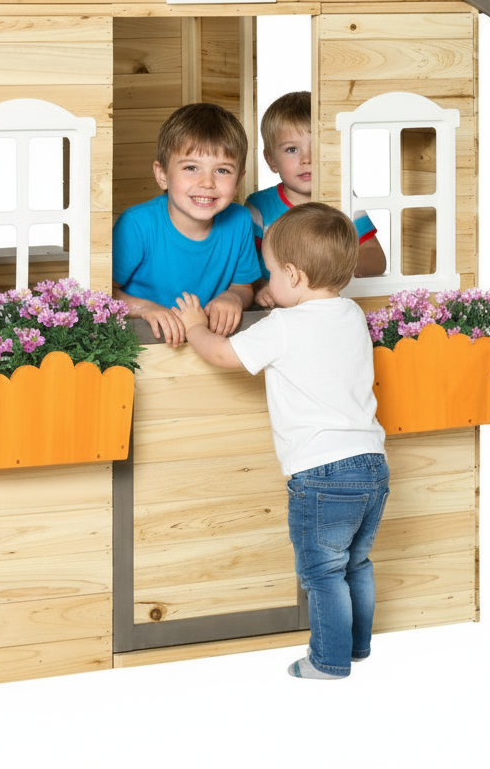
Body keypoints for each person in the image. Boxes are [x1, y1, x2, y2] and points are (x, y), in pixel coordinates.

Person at [173, 203, 388, 679]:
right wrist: (282, 300)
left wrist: (193, 327)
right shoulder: (350, 313)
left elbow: (224, 354)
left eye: (270, 274)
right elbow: (314, 325)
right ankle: (357, 647)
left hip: (321, 473)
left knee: (322, 573)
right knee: (357, 564)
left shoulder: (285, 327)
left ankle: (328, 662)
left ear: (293, 274)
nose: (266, 284)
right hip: (373, 465)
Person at [112, 103, 260, 345]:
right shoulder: (137, 224)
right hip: (143, 344)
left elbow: (243, 287)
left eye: (222, 171)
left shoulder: (240, 220)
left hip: (207, 342)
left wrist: (232, 297)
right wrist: (144, 308)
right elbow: (102, 292)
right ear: (162, 175)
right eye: (191, 168)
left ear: (239, 179)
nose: (207, 183)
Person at [248, 90, 386, 308]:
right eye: (292, 149)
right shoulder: (259, 207)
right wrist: (261, 287)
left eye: (317, 147)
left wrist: (337, 270)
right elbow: (245, 265)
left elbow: (376, 258)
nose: (307, 159)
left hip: (331, 308)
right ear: (271, 160)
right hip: (275, 310)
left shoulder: (342, 201)